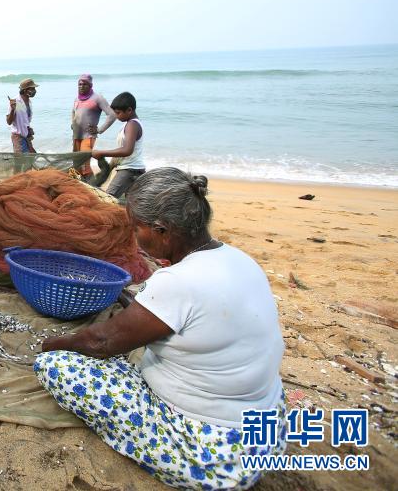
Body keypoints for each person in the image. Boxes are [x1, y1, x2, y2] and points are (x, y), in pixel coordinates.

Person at [34, 168, 286, 489]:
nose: (134, 237)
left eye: (136, 228)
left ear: (162, 230)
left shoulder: (176, 283)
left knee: (55, 367)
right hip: (265, 430)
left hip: (217, 457)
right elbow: (188, 312)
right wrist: (130, 300)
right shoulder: (240, 260)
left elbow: (101, 342)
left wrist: (52, 344)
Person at [91, 92, 144, 199]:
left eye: (118, 113)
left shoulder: (132, 125)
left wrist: (102, 152)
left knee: (108, 199)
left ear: (129, 110)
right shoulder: (129, 124)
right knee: (132, 204)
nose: (116, 116)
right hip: (132, 169)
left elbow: (127, 150)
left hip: (130, 170)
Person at [71, 74, 115, 181]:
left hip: (88, 136)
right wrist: (72, 123)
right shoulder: (77, 98)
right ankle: (81, 186)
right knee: (76, 164)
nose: (81, 86)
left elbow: (112, 115)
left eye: (84, 84)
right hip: (76, 136)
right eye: (79, 84)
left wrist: (100, 129)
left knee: (85, 165)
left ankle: (92, 187)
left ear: (91, 85)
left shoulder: (97, 98)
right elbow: (73, 111)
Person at [7, 78, 38, 173]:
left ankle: (25, 182)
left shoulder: (29, 102)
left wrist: (29, 128)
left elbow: (24, 120)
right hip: (18, 137)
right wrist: (12, 110)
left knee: (30, 160)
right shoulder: (15, 101)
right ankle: (17, 182)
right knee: (20, 162)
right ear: (25, 90)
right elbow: (8, 121)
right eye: (32, 89)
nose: (34, 91)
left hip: (26, 137)